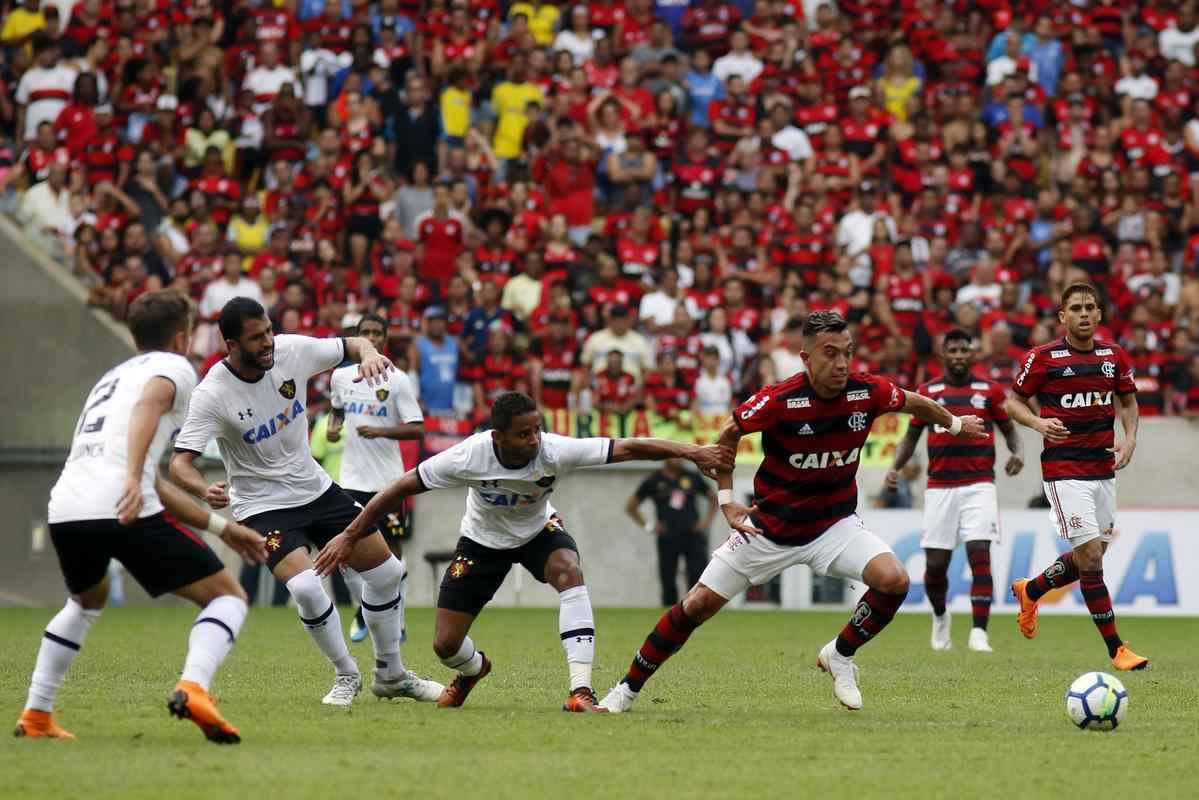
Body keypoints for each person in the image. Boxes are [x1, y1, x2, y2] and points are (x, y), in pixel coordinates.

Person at [598, 311, 987, 713]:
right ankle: (624, 691)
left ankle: (840, 654)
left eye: (847, 354)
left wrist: (956, 424)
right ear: (806, 357)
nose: (841, 364)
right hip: (768, 529)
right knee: (695, 606)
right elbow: (727, 437)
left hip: (834, 525)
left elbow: (915, 403)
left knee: (894, 580)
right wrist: (727, 500)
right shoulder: (779, 399)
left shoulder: (865, 391)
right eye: (830, 354)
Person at [312, 391, 731, 713]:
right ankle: (475, 670)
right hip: (481, 542)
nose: (534, 439)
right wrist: (351, 534)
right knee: (445, 645)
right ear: (498, 436)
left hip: (538, 532)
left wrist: (690, 451)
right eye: (523, 433)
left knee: (569, 571)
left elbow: (628, 447)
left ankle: (580, 690)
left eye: (537, 429)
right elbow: (401, 487)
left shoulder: (554, 450)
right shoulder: (468, 456)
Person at [14, 290, 267, 743]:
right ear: (182, 336)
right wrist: (133, 479)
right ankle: (194, 687)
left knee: (85, 602)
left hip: (69, 507)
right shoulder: (173, 368)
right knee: (228, 597)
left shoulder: (111, 377)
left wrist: (223, 529)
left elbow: (153, 479)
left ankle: (36, 715)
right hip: (120, 501)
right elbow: (150, 407)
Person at [170, 297, 442, 706]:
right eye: (256, 338)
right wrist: (201, 489)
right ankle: (346, 674)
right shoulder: (213, 393)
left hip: (317, 489)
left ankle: (392, 673)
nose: (267, 343)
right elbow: (180, 462)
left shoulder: (290, 351)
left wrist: (369, 352)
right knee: (308, 588)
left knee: (388, 574)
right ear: (231, 344)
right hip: (262, 506)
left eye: (268, 332)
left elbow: (351, 345)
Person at [1007, 284, 1148, 671]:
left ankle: (1031, 589)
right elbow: (1012, 401)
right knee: (1090, 558)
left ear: (1099, 315)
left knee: (1094, 554)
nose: (1084, 313)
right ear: (1062, 317)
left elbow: (1129, 401)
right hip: (1063, 469)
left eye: (1090, 307)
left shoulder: (1113, 357)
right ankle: (1117, 648)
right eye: (1076, 308)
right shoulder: (1043, 358)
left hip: (1102, 468)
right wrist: (1037, 421)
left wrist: (1130, 438)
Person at [884, 328, 1025, 653]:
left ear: (972, 353)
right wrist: (894, 467)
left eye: (965, 349)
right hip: (940, 488)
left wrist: (1018, 452)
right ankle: (940, 616)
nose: (960, 355)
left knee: (980, 554)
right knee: (935, 565)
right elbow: (910, 438)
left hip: (979, 485)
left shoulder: (988, 391)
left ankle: (979, 632)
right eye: (954, 350)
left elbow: (1009, 430)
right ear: (943, 355)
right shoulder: (928, 391)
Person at [327, 313, 424, 644]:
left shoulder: (397, 380)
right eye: (364, 332)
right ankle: (362, 610)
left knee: (393, 553)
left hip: (389, 482)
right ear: (358, 337)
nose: (370, 336)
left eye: (376, 332)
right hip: (351, 479)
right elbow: (338, 407)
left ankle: (397, 621)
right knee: (348, 550)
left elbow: (416, 428)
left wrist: (381, 430)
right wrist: (334, 422)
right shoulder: (340, 377)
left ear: (385, 339)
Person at [627, 459, 717, 607]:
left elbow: (713, 498)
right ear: (665, 458)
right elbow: (631, 506)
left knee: (697, 574)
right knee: (668, 577)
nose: (677, 460)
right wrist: (650, 526)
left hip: (692, 534)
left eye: (679, 456)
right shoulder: (653, 480)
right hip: (667, 536)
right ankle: (669, 612)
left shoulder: (691, 476)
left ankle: (696, 608)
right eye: (673, 456)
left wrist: (705, 523)